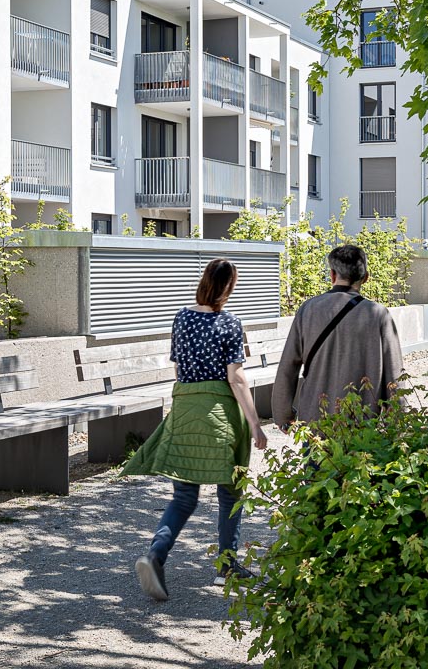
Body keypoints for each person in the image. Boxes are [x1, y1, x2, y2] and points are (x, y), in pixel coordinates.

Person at [123, 257, 268, 602]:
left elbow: (177, 368)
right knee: (230, 492)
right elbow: (235, 378)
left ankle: (156, 555)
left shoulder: (182, 318)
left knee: (184, 496)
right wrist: (255, 424)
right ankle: (227, 565)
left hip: (185, 409)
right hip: (219, 414)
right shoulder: (230, 323)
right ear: (229, 287)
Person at [270, 243, 404, 428]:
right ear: (365, 278)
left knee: (316, 458)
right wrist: (398, 419)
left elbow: (288, 367)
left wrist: (283, 415)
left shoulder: (309, 310)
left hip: (316, 420)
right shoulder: (378, 314)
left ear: (332, 275)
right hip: (363, 422)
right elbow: (394, 373)